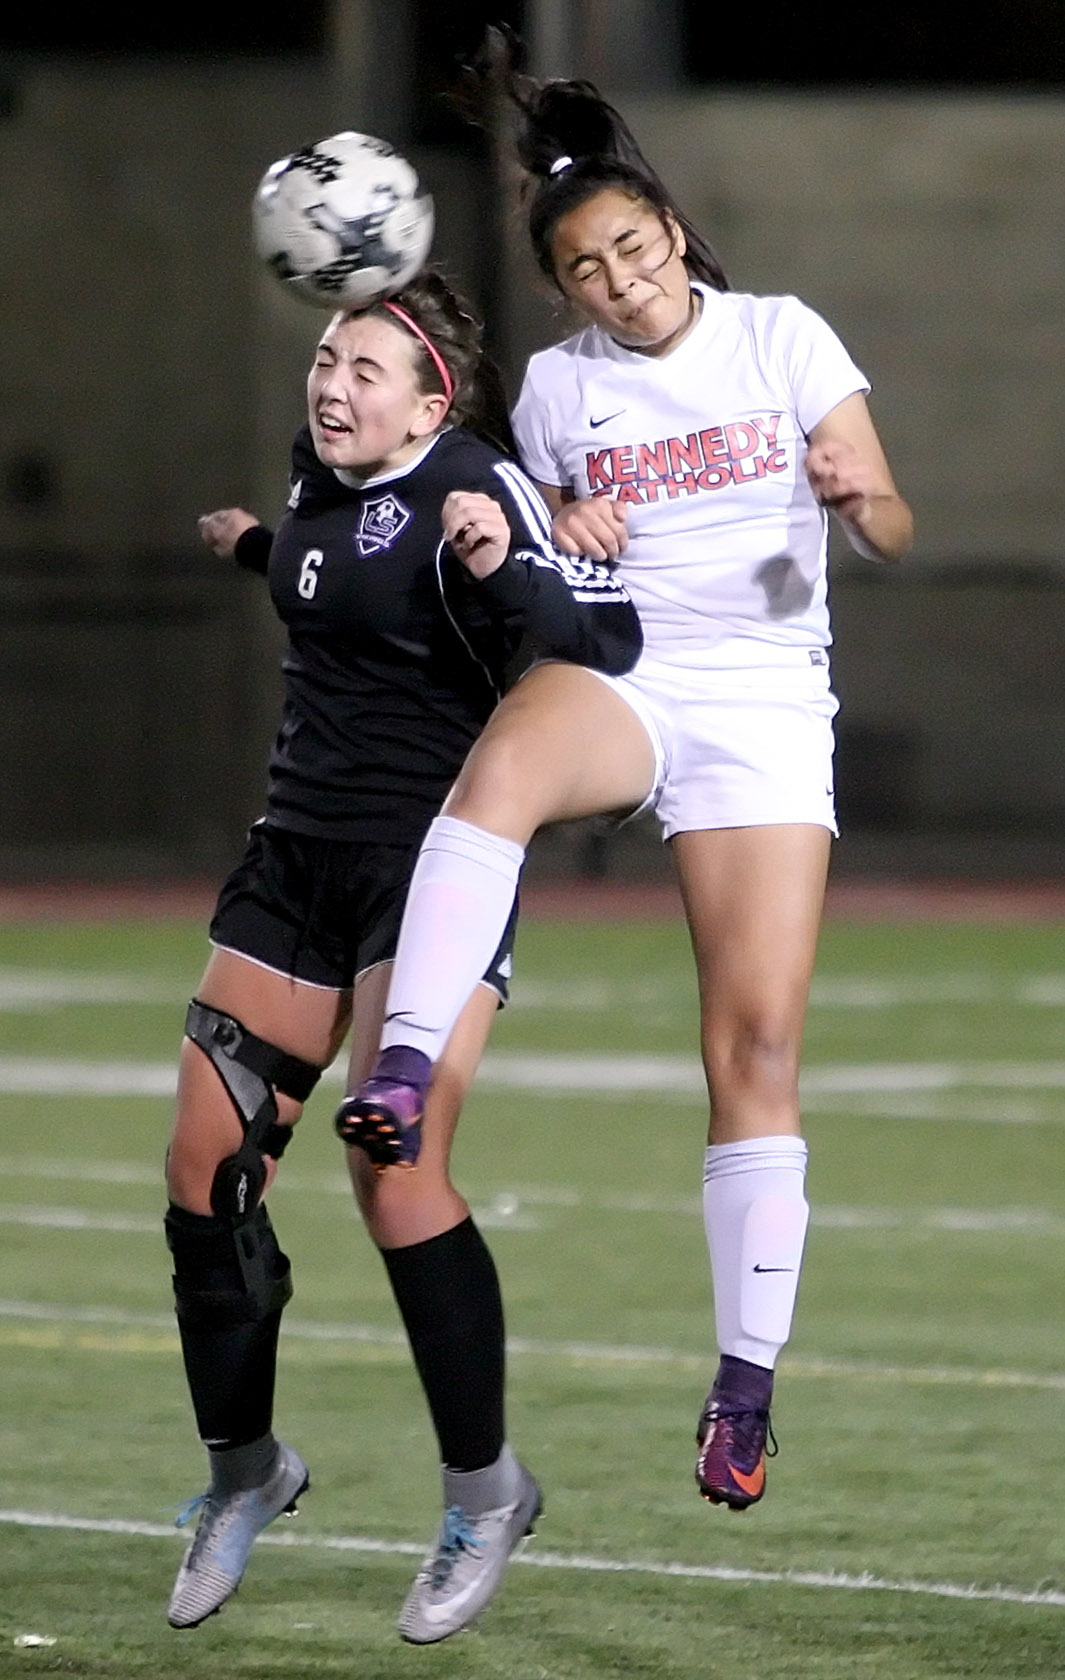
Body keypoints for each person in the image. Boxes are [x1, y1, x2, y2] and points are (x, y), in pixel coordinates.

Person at [343, 77, 914, 1516]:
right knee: (503, 769)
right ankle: (403, 1069)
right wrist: (555, 527)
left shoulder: (781, 335)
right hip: (632, 669)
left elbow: (897, 525)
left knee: (757, 1045)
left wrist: (856, 496)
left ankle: (742, 1388)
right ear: (562, 288)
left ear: (670, 232)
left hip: (766, 705)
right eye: (582, 270)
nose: (616, 281)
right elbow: (535, 569)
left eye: (630, 249)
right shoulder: (556, 389)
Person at [162, 268, 642, 1644]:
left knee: (394, 1170)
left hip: (425, 875)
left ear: (434, 398)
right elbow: (325, 570)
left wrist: (511, 565)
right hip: (291, 864)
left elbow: (595, 638)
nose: (333, 382)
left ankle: (485, 1490)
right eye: (327, 356)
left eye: (368, 368)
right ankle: (245, 1470)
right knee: (206, 1176)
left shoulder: (473, 483)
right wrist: (256, 542)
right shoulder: (315, 479)